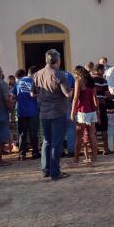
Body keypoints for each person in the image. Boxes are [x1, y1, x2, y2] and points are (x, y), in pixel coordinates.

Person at [35, 49, 71, 181]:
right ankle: (55, 172)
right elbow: (67, 93)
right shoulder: (59, 74)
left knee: (47, 141)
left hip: (44, 112)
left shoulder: (37, 74)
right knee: (56, 142)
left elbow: (33, 93)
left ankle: (46, 170)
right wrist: (75, 89)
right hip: (57, 112)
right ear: (58, 60)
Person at [71, 66, 99, 165]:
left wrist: (72, 112)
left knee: (79, 136)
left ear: (77, 73)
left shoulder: (78, 81)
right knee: (92, 135)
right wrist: (97, 112)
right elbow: (95, 98)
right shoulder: (91, 81)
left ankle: (76, 159)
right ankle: (94, 157)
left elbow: (75, 98)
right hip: (92, 111)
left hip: (82, 111)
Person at [12, 67, 40, 160]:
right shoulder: (34, 82)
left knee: (22, 133)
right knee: (33, 133)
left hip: (21, 112)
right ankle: (35, 153)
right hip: (33, 111)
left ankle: (22, 154)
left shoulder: (17, 83)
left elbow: (13, 97)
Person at [92, 64, 112, 155]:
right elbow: (107, 94)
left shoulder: (90, 79)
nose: (104, 71)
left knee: (94, 129)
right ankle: (106, 149)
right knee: (104, 128)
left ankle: (95, 150)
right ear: (99, 70)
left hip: (91, 106)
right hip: (101, 105)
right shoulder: (102, 80)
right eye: (103, 70)